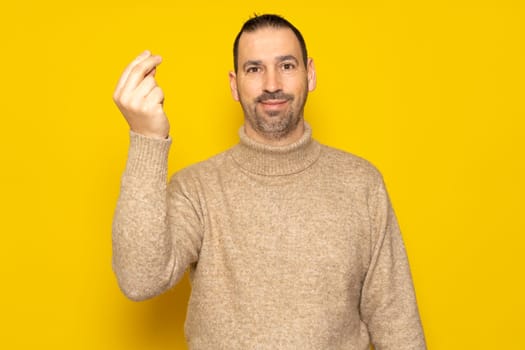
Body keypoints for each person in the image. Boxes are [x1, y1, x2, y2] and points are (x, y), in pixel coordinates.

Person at [112, 14, 426, 350]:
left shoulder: (361, 184)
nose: (272, 83)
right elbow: (140, 278)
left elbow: (397, 324)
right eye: (254, 69)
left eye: (287, 66)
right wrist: (146, 137)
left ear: (311, 73)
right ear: (234, 84)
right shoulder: (197, 189)